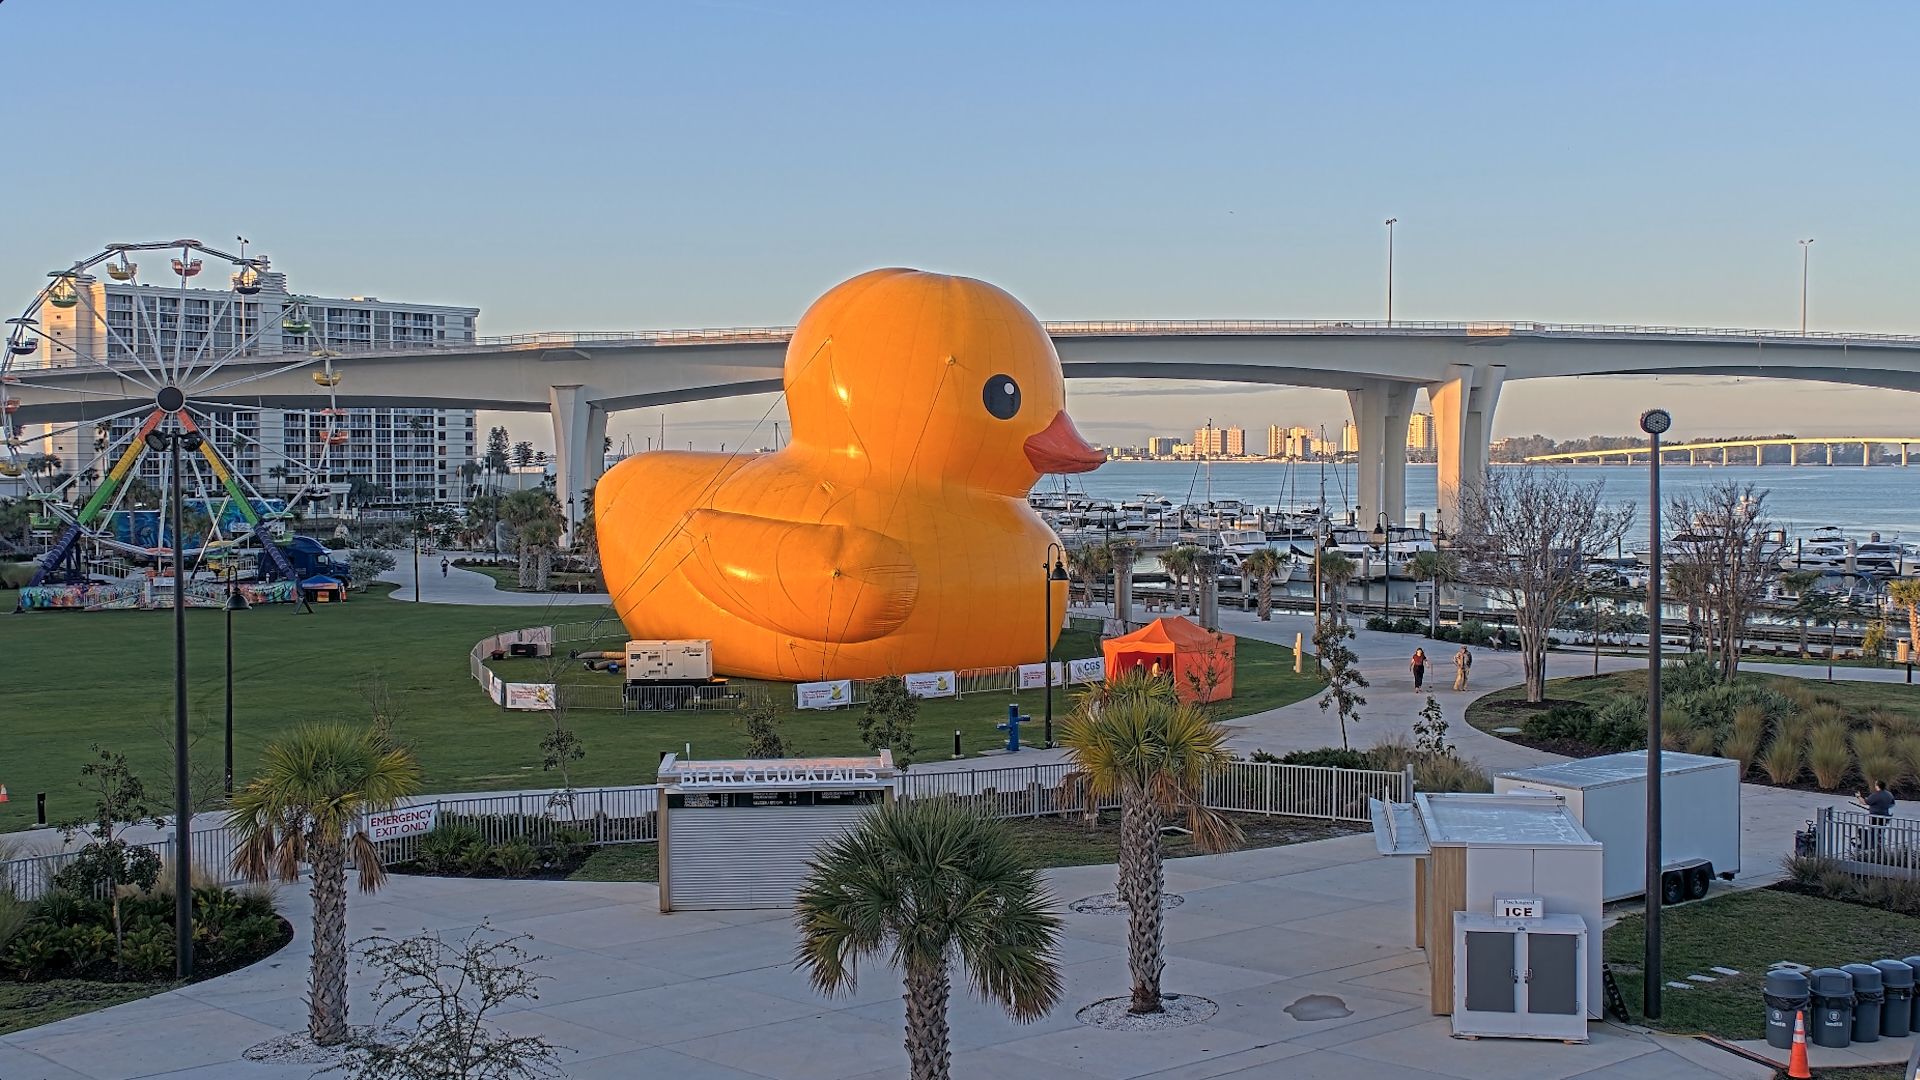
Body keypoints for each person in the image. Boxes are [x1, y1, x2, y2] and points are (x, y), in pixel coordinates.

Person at [1858, 780, 1895, 852]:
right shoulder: (1889, 794)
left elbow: (1865, 802)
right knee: (1881, 832)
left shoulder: (1875, 795)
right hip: (1885, 816)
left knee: (1873, 831)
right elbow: (1892, 804)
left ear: (1877, 786)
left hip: (1875, 817)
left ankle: (1873, 847)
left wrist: (1858, 796)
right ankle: (1879, 846)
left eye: (1875, 784)